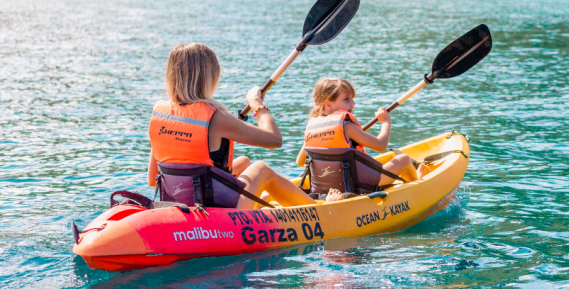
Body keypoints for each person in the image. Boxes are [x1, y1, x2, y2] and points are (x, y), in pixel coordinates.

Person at [147, 42, 338, 210]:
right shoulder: (217, 117)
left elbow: (152, 178)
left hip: (178, 198)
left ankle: (262, 198)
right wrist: (258, 107)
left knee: (244, 161)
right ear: (209, 77)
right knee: (261, 169)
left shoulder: (160, 114)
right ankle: (321, 211)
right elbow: (274, 139)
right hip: (211, 203)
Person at [295, 78, 429, 195]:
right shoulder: (347, 127)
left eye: (352, 98)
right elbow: (381, 145)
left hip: (327, 188)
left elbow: (300, 162)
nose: (353, 103)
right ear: (328, 104)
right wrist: (386, 122)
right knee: (404, 159)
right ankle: (419, 183)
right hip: (358, 185)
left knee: (362, 153)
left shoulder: (312, 127)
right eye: (346, 99)